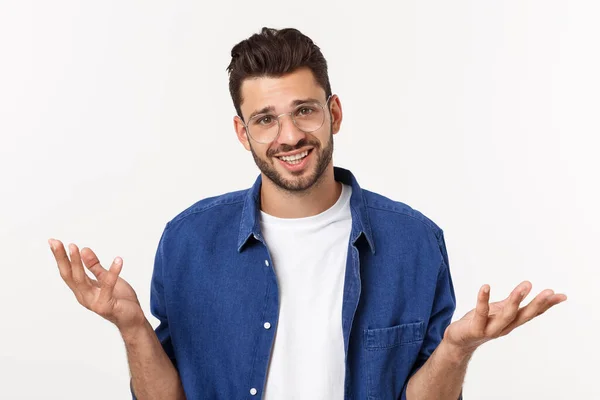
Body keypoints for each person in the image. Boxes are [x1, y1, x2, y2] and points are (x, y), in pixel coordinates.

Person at [49, 27, 567, 400]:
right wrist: (133, 327)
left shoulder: (413, 241)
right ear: (242, 132)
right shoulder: (188, 241)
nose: (290, 136)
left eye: (304, 110)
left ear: (333, 112)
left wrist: (456, 348)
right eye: (266, 119)